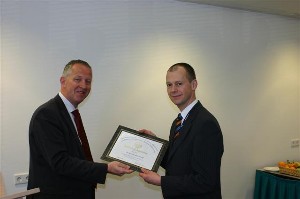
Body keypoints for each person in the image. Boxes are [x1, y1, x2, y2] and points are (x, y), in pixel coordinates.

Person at [27, 59, 132, 199]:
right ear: (63, 81)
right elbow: (60, 162)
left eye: (88, 81)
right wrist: (106, 168)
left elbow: (76, 157)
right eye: (78, 79)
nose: (83, 85)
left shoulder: (70, 113)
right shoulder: (47, 114)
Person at [139, 63, 224, 199]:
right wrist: (156, 145)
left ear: (194, 84)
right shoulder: (178, 122)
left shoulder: (206, 124)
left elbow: (206, 181)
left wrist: (161, 181)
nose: (173, 90)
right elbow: (177, 163)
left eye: (179, 84)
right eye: (169, 85)